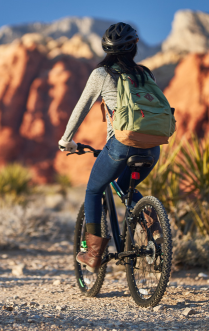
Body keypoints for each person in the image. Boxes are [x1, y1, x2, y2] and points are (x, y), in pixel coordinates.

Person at [58, 22, 161, 271]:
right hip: (153, 146)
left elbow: (80, 108)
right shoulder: (146, 73)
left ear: (106, 48)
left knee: (94, 190)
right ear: (135, 46)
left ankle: (93, 254)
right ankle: (156, 234)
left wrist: (66, 140)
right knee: (126, 188)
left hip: (121, 145)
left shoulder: (102, 74)